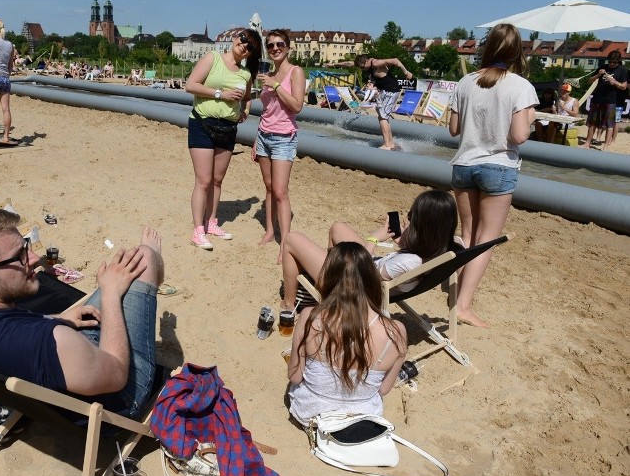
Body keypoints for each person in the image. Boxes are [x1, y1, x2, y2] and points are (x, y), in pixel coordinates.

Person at [0, 207, 164, 421]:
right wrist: (110, 293)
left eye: (26, 246)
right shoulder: (48, 341)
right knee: (144, 258)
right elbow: (118, 374)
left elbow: (1, 330)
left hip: (65, 367)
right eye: (18, 256)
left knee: (121, 276)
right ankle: (154, 260)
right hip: (116, 397)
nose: (35, 259)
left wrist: (59, 318)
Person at [448, 23, 537, 328]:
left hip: (464, 163)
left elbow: (454, 129)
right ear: (517, 51)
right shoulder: (520, 86)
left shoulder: (465, 81)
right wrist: (530, 117)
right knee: (487, 239)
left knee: (470, 234)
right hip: (498, 164)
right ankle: (463, 306)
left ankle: (457, 297)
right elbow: (520, 136)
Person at [279, 190, 459, 326]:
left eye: (411, 216)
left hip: (354, 283)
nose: (406, 219)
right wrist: (405, 243)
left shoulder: (408, 261)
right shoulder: (440, 249)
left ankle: (289, 304)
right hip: (369, 270)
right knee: (338, 228)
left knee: (291, 239)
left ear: (423, 228)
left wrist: (374, 239)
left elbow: (364, 275)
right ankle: (323, 283)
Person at [287, 242, 407, 427]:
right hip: (362, 418)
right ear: (371, 279)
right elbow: (383, 389)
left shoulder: (310, 317)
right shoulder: (396, 331)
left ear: (327, 277)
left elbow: (295, 376)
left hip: (312, 414)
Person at [185, 29, 262, 250]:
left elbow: (248, 98)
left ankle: (212, 223)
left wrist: (245, 111)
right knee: (203, 180)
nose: (244, 46)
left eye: (250, 47)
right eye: (243, 40)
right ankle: (198, 230)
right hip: (202, 123)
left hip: (227, 128)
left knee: (217, 180)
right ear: (235, 38)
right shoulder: (212, 58)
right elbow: (191, 85)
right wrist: (221, 94)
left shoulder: (245, 74)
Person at [253, 29, 305, 262]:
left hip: (284, 137)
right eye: (271, 45)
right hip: (264, 135)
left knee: (281, 191)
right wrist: (257, 138)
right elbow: (266, 109)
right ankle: (269, 231)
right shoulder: (268, 72)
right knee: (268, 187)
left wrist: (275, 86)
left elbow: (296, 106)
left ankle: (285, 242)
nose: (275, 48)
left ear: (288, 47)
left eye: (280, 44)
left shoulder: (295, 72)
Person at [327, 55, 413, 150]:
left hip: (391, 91)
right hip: (385, 91)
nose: (362, 69)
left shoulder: (376, 63)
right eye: (360, 68)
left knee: (383, 117)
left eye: (363, 67)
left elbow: (395, 61)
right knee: (381, 115)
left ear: (367, 61)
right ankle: (391, 143)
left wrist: (406, 72)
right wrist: (333, 64)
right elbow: (348, 63)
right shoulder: (364, 64)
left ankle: (387, 145)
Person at [581, 50, 628, 150]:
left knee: (609, 123)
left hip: (611, 100)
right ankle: (587, 143)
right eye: (610, 62)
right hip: (597, 99)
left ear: (618, 62)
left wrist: (615, 83)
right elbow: (589, 81)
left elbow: (624, 86)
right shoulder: (602, 67)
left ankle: (606, 145)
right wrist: (598, 75)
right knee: (592, 122)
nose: (611, 64)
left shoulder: (622, 70)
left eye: (614, 62)